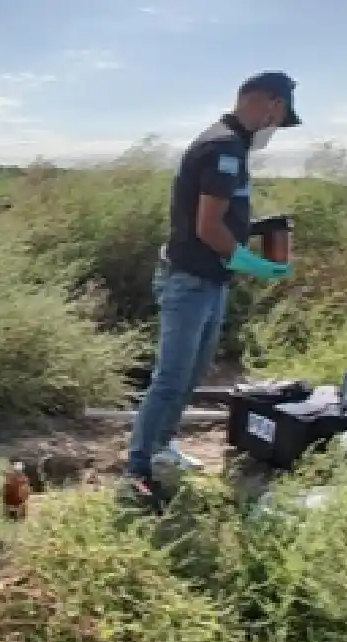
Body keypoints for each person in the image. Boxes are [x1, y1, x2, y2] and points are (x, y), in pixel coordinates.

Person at [121, 71, 302, 505]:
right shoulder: (223, 147)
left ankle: (163, 447)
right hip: (191, 281)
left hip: (209, 280)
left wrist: (256, 232)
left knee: (192, 373)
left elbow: (214, 216)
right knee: (169, 379)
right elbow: (206, 227)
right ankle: (138, 469)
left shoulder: (229, 144)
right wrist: (253, 263)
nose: (274, 129)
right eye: (278, 118)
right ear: (271, 104)